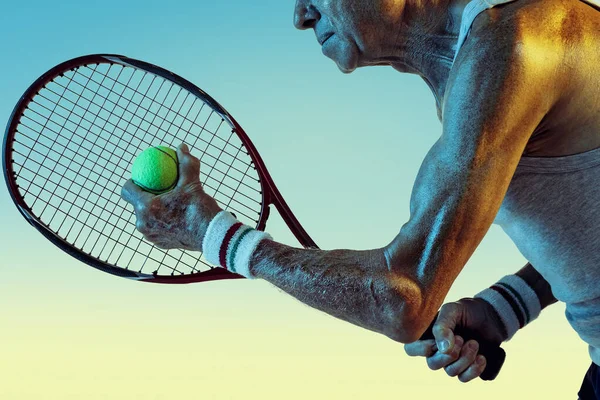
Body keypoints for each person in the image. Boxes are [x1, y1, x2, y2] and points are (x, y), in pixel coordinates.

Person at [120, 0, 600, 397]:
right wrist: (506, 306)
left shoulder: (512, 45)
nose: (301, 16)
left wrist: (216, 236)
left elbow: (402, 299)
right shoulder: (484, 59)